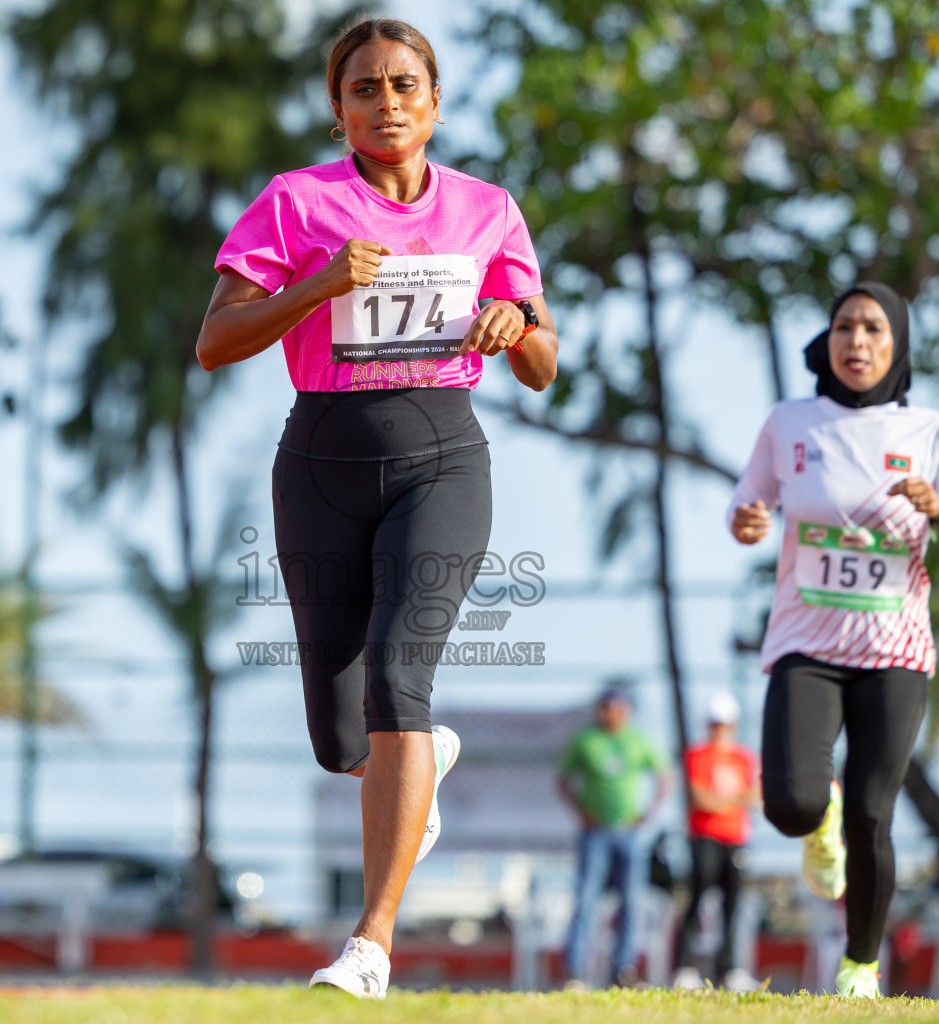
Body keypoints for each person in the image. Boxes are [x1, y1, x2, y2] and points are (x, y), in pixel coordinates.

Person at [196, 17, 558, 999]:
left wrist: (514, 322)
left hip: (441, 458)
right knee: (343, 738)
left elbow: (543, 365)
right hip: (319, 460)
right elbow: (216, 341)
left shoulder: (487, 209)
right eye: (365, 88)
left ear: (433, 102)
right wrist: (317, 284)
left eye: (404, 85)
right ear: (338, 109)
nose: (386, 102)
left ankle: (370, 943)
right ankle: (417, 766)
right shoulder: (296, 202)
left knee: (402, 677)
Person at [728, 282, 939, 998]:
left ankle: (861, 966)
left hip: (893, 650)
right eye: (844, 327)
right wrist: (747, 521)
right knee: (790, 805)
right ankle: (819, 821)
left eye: (875, 329)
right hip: (805, 644)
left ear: (897, 345)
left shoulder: (934, 434)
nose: (857, 342)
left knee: (876, 811)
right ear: (829, 340)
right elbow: (747, 500)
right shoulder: (791, 423)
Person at [556, 686, 668, 989]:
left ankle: (623, 970)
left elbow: (663, 776)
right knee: (586, 898)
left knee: (630, 901)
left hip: (629, 833)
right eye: (605, 707)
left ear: (626, 711)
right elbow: (564, 780)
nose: (609, 714)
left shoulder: (638, 740)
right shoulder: (585, 740)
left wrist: (646, 814)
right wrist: (581, 812)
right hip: (594, 833)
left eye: (615, 708)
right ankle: (575, 969)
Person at [673, 691, 760, 991]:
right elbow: (699, 798)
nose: (718, 729)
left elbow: (754, 796)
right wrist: (732, 801)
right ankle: (684, 968)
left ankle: (731, 970)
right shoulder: (696, 755)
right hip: (703, 838)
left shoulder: (744, 758)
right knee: (696, 900)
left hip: (735, 839)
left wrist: (721, 801)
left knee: (733, 907)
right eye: (714, 723)